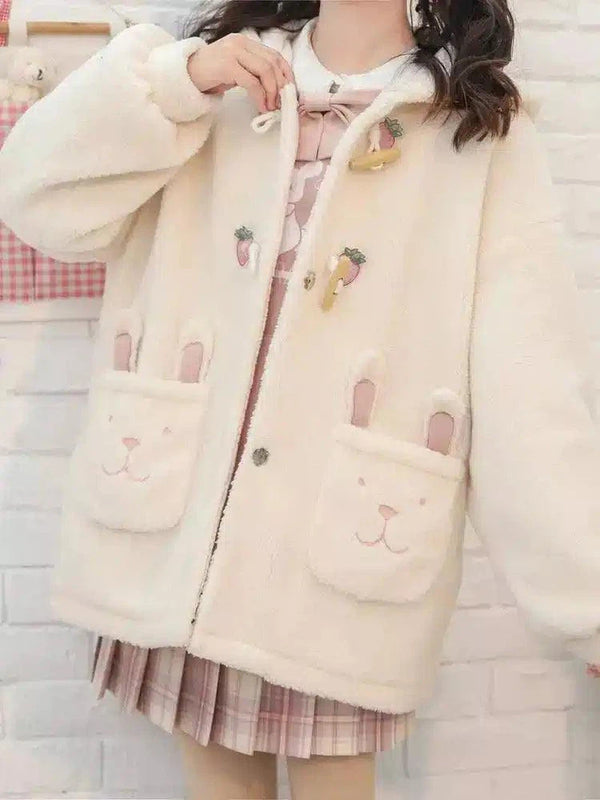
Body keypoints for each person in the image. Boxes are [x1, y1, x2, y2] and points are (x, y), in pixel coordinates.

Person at [0, 1, 599, 798]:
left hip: (333, 569)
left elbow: (529, 387)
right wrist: (177, 82)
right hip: (186, 553)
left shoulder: (476, 127)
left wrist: (586, 603)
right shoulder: (217, 82)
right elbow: (34, 198)